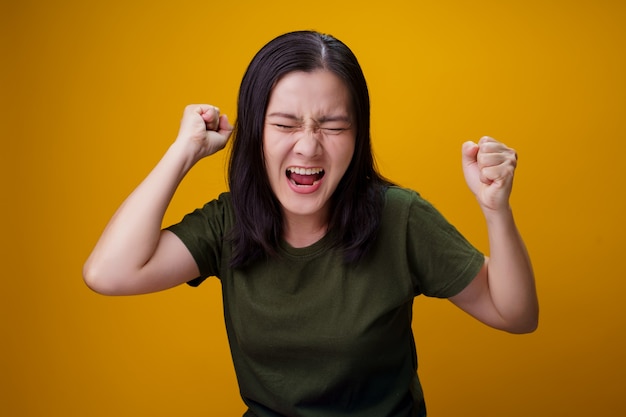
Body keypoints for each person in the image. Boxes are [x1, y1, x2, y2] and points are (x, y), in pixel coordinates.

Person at [83, 30, 538, 417]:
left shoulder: (400, 218)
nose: (308, 147)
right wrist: (183, 152)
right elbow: (108, 273)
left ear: (358, 136)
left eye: (334, 126)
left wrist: (496, 210)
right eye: (283, 124)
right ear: (255, 133)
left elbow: (515, 314)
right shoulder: (230, 223)